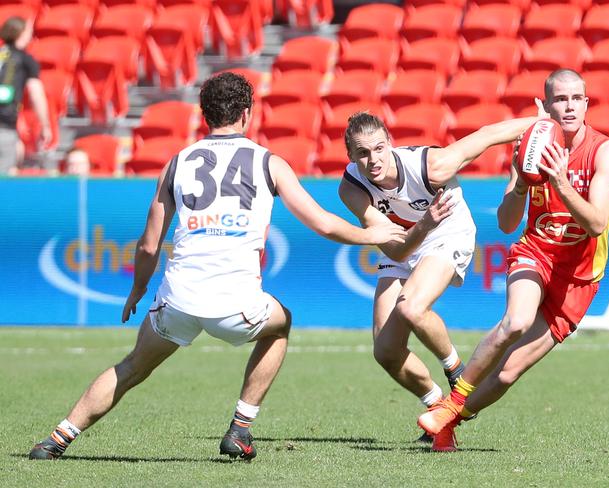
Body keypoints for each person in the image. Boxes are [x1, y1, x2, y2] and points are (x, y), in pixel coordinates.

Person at [29, 72, 407, 461]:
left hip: (177, 299)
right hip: (237, 304)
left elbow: (147, 245)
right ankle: (240, 428)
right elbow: (324, 223)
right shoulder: (268, 163)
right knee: (281, 324)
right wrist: (378, 235)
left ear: (205, 115)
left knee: (130, 368)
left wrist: (138, 290)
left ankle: (57, 438)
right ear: (246, 114)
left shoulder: (176, 163)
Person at [417, 69, 609, 451]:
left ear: (587, 104)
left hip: (579, 278)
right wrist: (522, 185)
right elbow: (507, 222)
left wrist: (560, 182)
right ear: (545, 106)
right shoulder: (531, 147)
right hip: (536, 253)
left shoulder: (604, 151)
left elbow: (595, 224)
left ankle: (448, 420)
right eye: (560, 99)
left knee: (509, 372)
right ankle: (453, 402)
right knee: (517, 320)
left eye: (577, 98)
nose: (569, 106)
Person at [338, 105, 546, 447]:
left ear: (390, 142)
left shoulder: (431, 166)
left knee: (412, 307)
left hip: (447, 231)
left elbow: (488, 135)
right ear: (350, 156)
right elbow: (398, 252)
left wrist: (545, 122)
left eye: (378, 148)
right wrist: (423, 223)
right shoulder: (352, 189)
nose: (373, 159)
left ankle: (458, 374)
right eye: (362, 153)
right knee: (386, 351)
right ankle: (439, 410)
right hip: (407, 240)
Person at [0, 17, 50, 174]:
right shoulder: (25, 60)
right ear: (21, 33)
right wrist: (45, 125)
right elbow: (36, 93)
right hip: (5, 126)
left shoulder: (2, 55)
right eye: (29, 31)